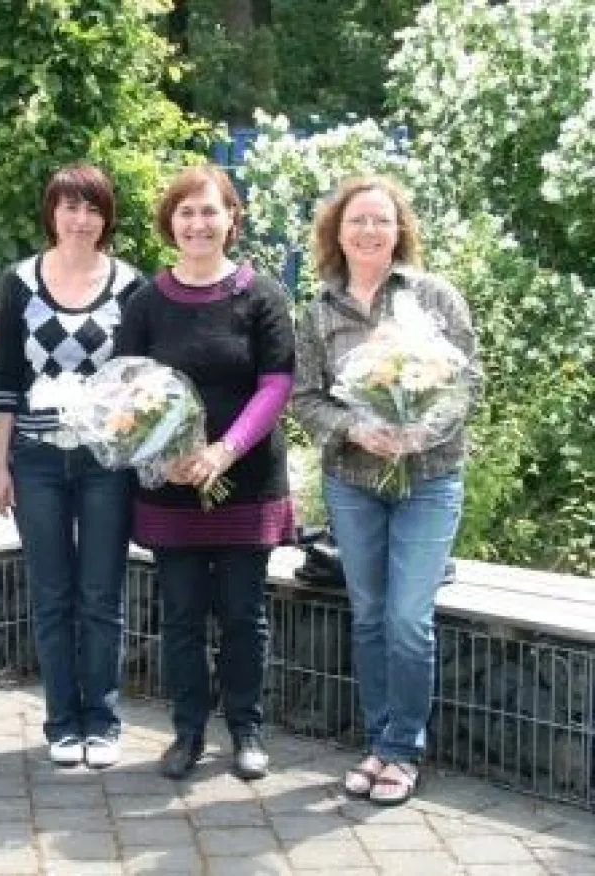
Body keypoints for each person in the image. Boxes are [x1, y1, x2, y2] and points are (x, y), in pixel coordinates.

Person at [291, 176, 478, 806]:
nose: (369, 231)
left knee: (407, 618)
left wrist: (418, 429)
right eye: (356, 221)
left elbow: (466, 385)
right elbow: (306, 397)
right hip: (353, 482)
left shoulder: (434, 298)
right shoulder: (319, 310)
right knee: (369, 615)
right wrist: (357, 428)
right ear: (336, 233)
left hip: (428, 478)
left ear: (400, 229)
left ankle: (403, 750)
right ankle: (378, 743)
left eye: (381, 220)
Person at [115, 165, 296, 782]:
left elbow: (277, 384)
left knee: (245, 614)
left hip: (245, 483)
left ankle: (246, 729)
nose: (198, 223)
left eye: (209, 211)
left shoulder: (262, 296)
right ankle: (188, 733)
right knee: (183, 615)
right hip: (173, 488)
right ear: (171, 223)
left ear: (231, 219)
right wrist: (163, 451)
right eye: (186, 212)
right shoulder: (146, 301)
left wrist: (223, 451)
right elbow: (129, 391)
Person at [0, 164, 142, 768]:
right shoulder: (19, 283)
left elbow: (139, 381)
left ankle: (102, 721)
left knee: (101, 594)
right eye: (69, 207)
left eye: (93, 209)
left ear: (106, 218)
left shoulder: (131, 286)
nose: (81, 220)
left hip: (106, 462)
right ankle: (60, 721)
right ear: (52, 211)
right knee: (51, 594)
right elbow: (5, 383)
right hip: (38, 462)